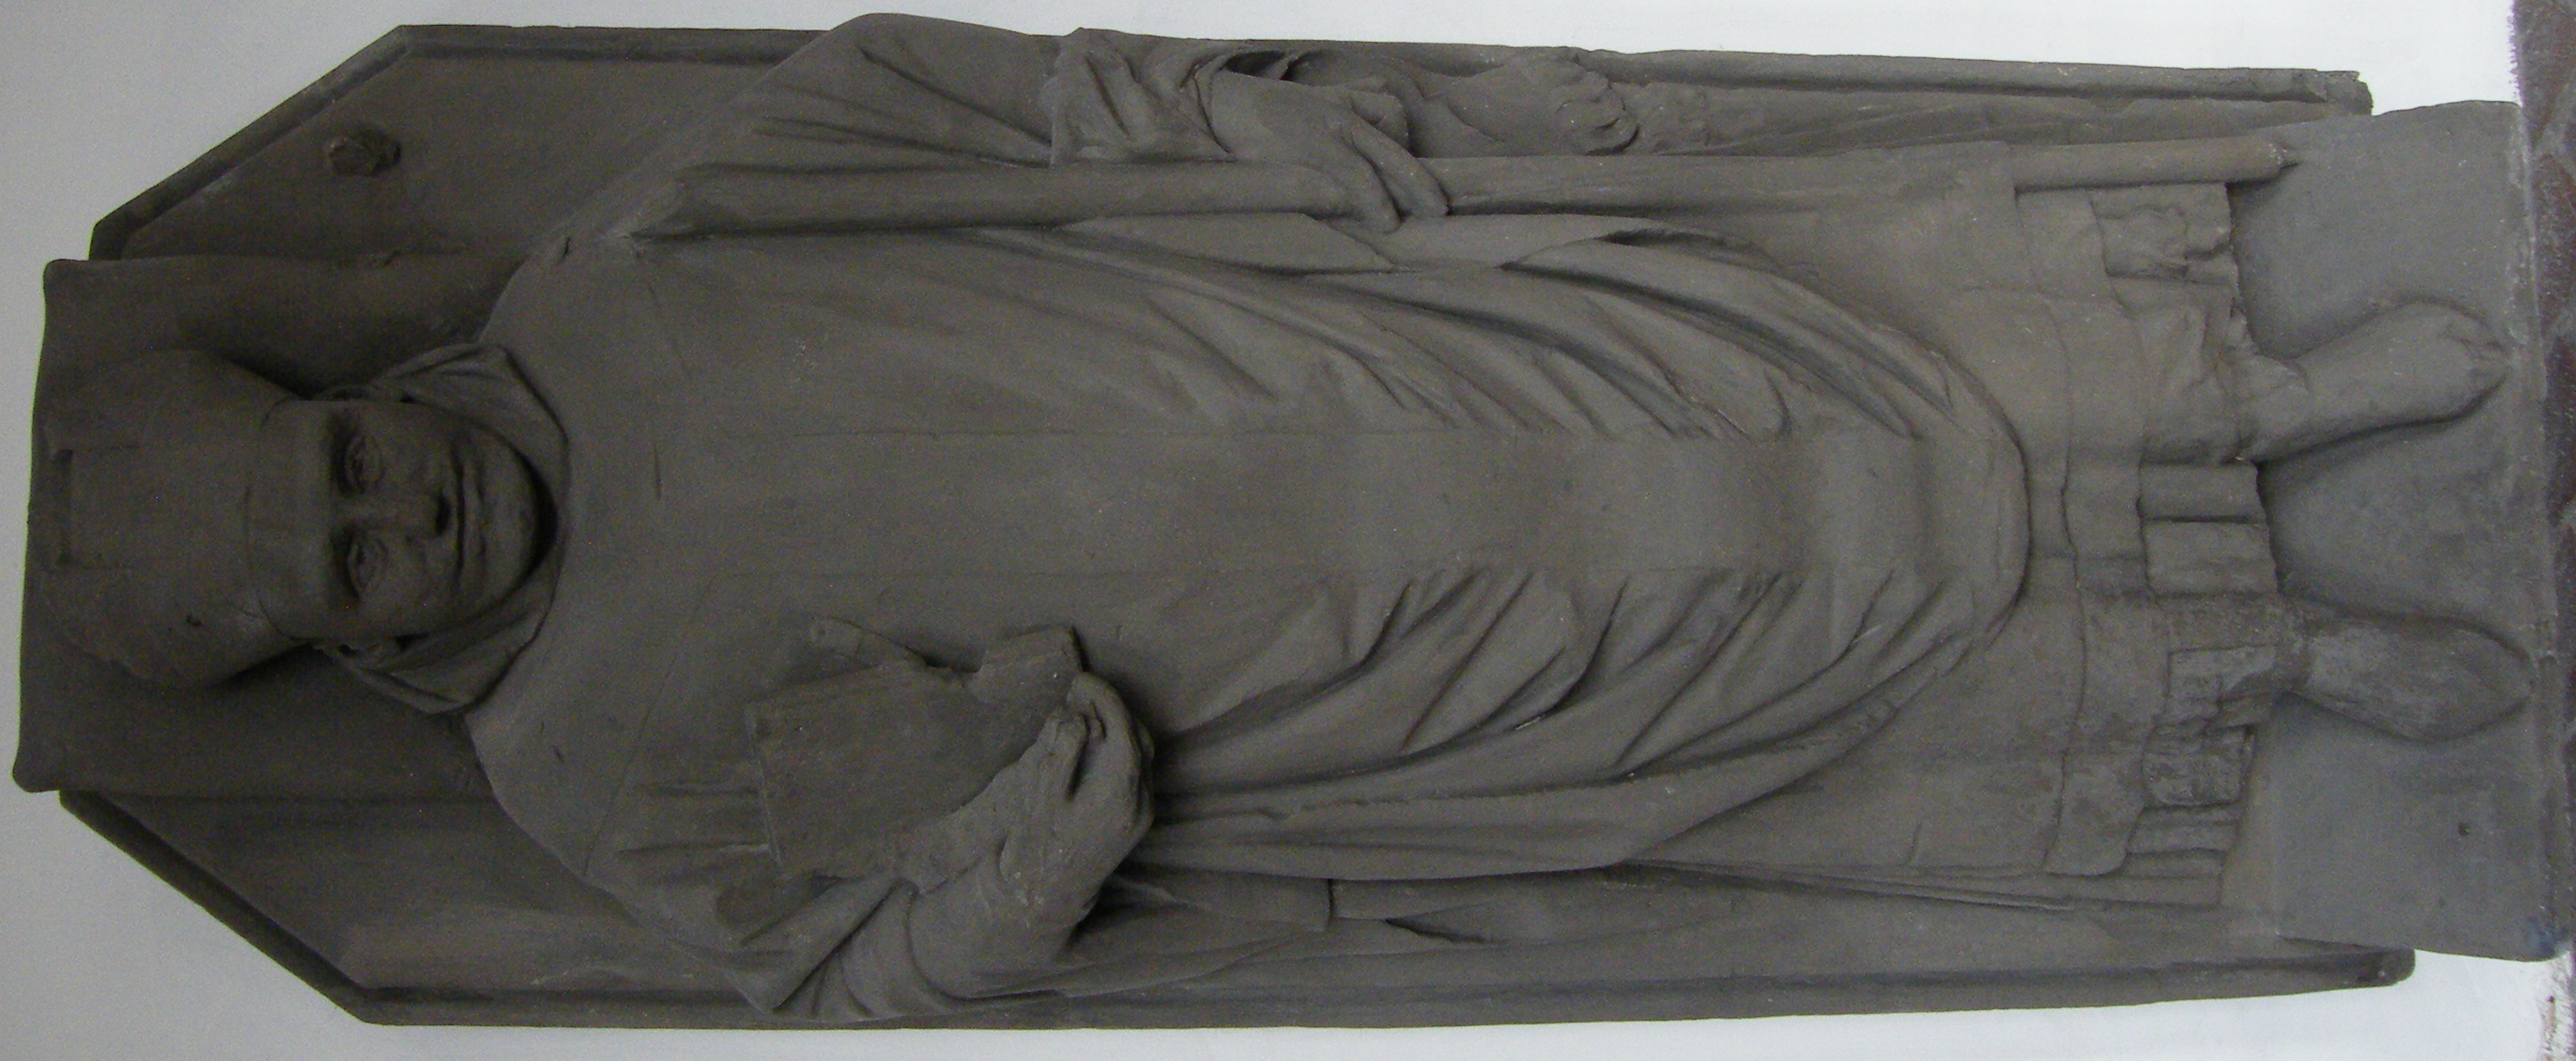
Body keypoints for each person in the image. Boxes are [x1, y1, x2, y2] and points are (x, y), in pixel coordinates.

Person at [30, 14, 2528, 1020]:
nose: (398, 510)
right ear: (339, 644)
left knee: (1790, 366)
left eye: (339, 457)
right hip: (1341, 703)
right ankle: (2305, 656)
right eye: (347, 562)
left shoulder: (623, 267)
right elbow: (859, 977)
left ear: (339, 396)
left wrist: (1228, 127)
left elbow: (933, 98)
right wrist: (1009, 864)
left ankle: (2293, 392)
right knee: (1800, 644)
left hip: (1347, 359)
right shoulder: (581, 769)